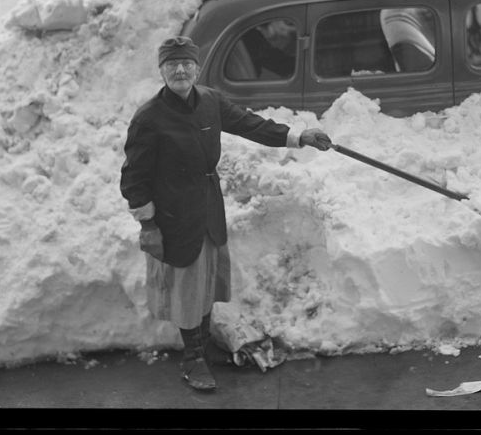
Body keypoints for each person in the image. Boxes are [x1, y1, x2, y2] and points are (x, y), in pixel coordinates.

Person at [120, 36, 332, 392]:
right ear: (161, 70)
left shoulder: (210, 101)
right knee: (188, 288)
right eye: (172, 64)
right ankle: (193, 359)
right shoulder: (149, 118)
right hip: (174, 217)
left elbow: (252, 125)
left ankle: (202, 346)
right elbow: (133, 178)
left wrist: (299, 136)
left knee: (205, 283)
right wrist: (148, 224)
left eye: (187, 63)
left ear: (197, 67)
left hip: (207, 207)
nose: (181, 70)